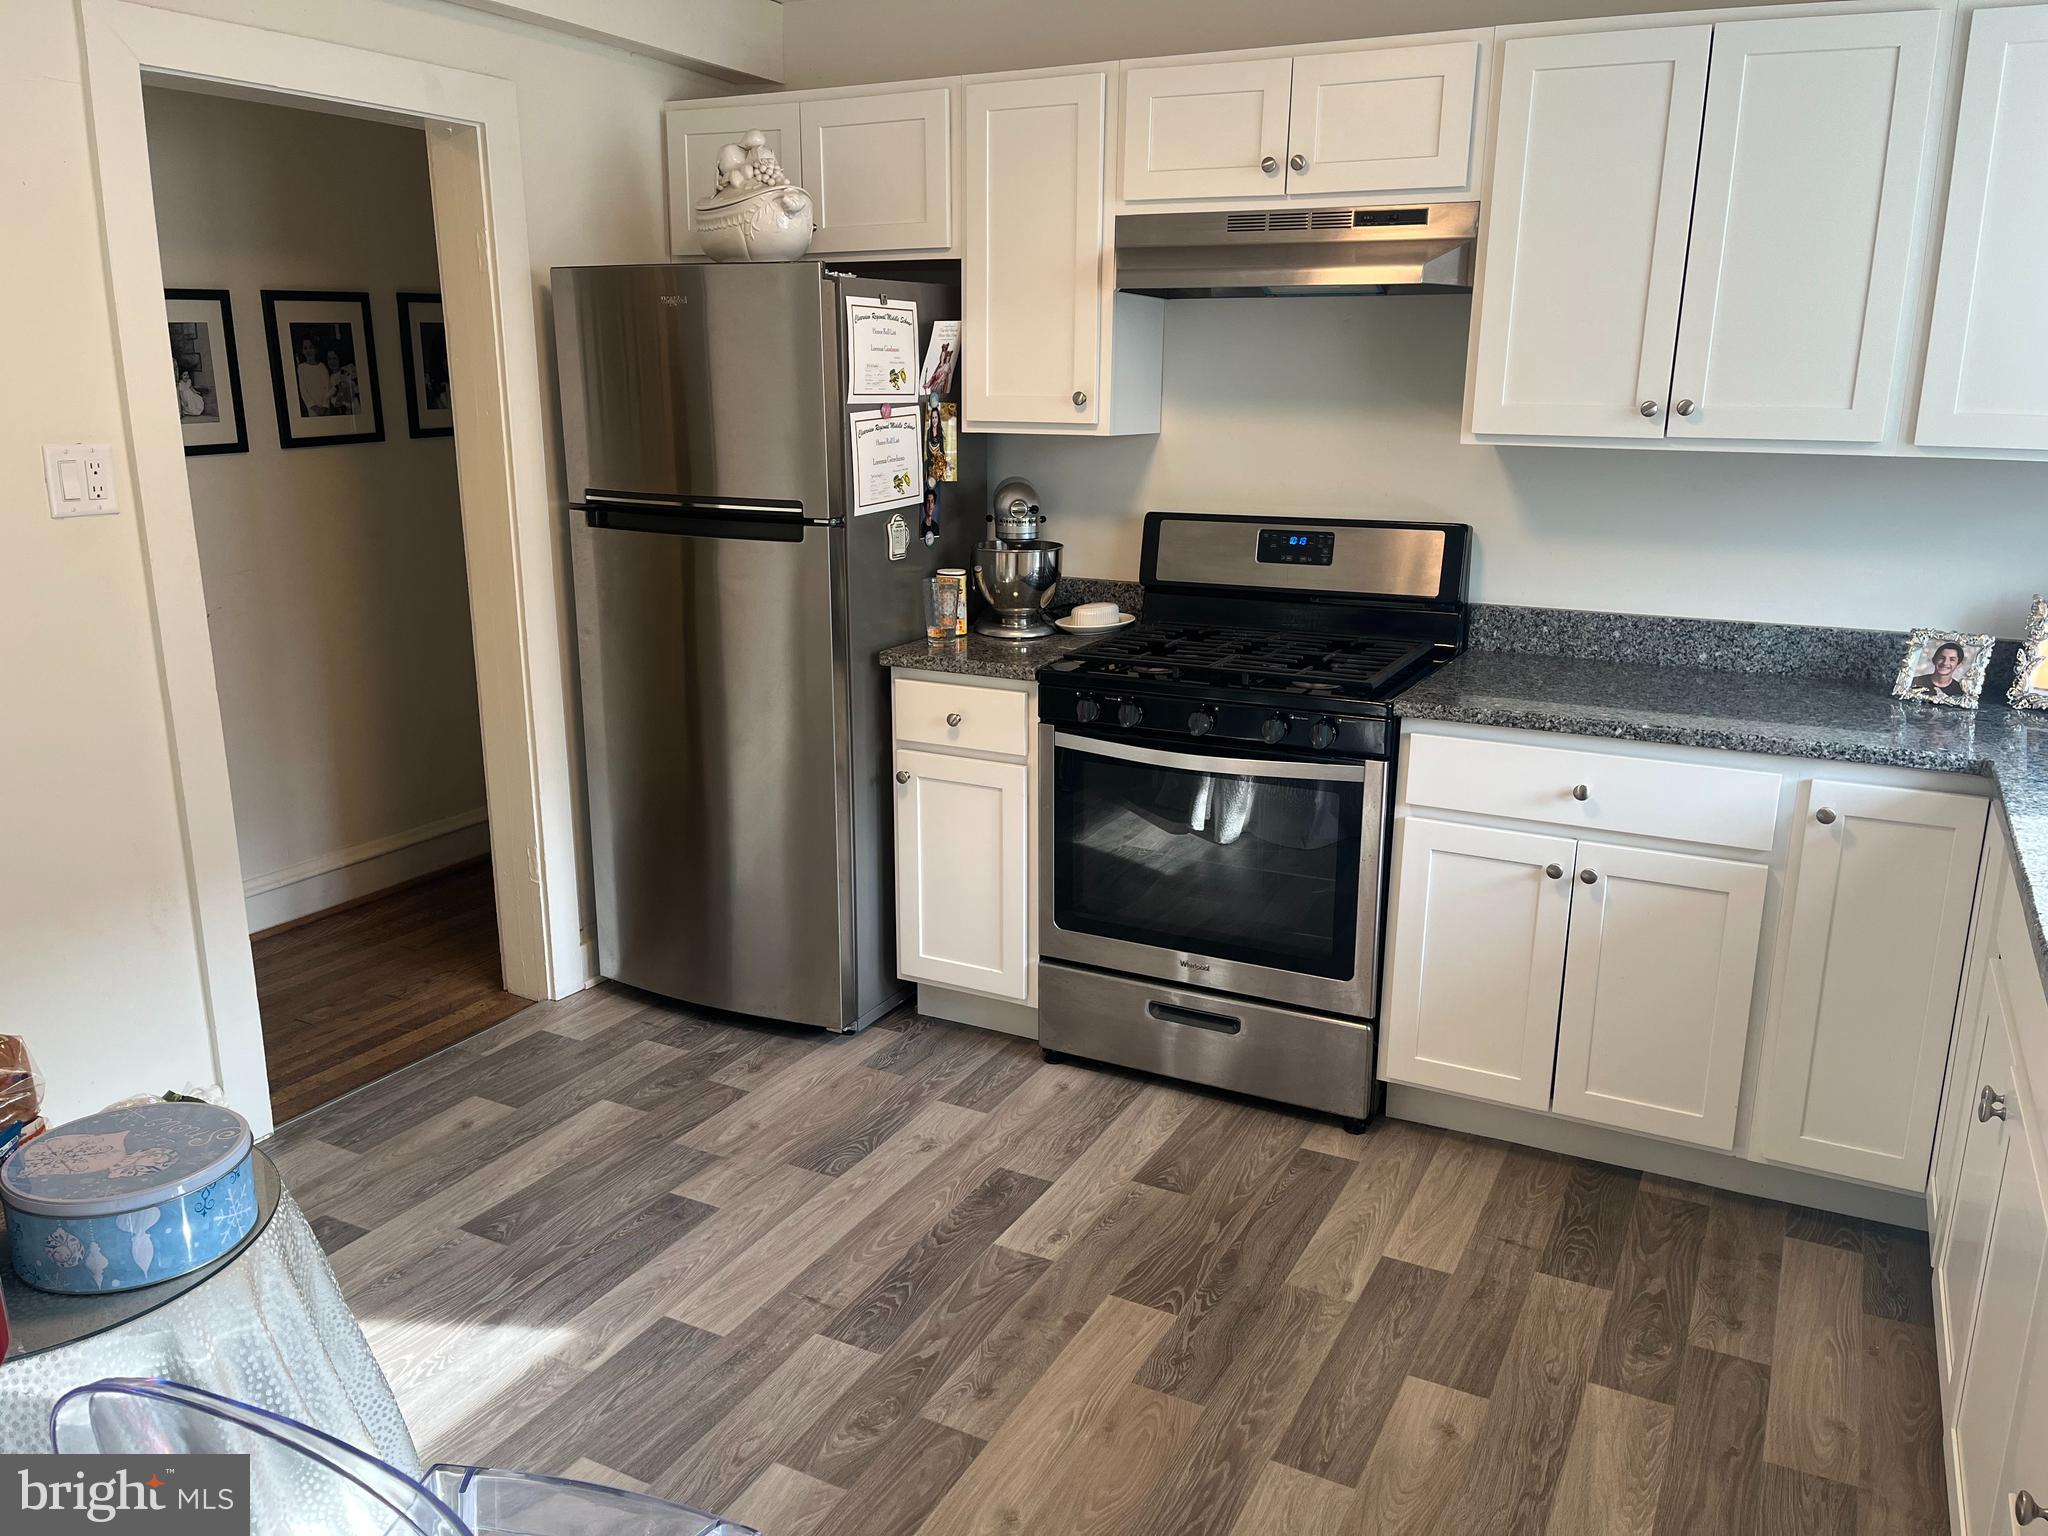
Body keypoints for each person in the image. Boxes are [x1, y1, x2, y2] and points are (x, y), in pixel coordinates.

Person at [295, 336, 331, 417]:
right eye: (305, 348)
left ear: (315, 349)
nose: (308, 350)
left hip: (325, 408)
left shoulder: (322, 366)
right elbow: (303, 391)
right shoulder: (301, 368)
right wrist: (314, 407)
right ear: (302, 351)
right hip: (312, 409)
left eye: (311, 347)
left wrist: (325, 406)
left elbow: (327, 387)